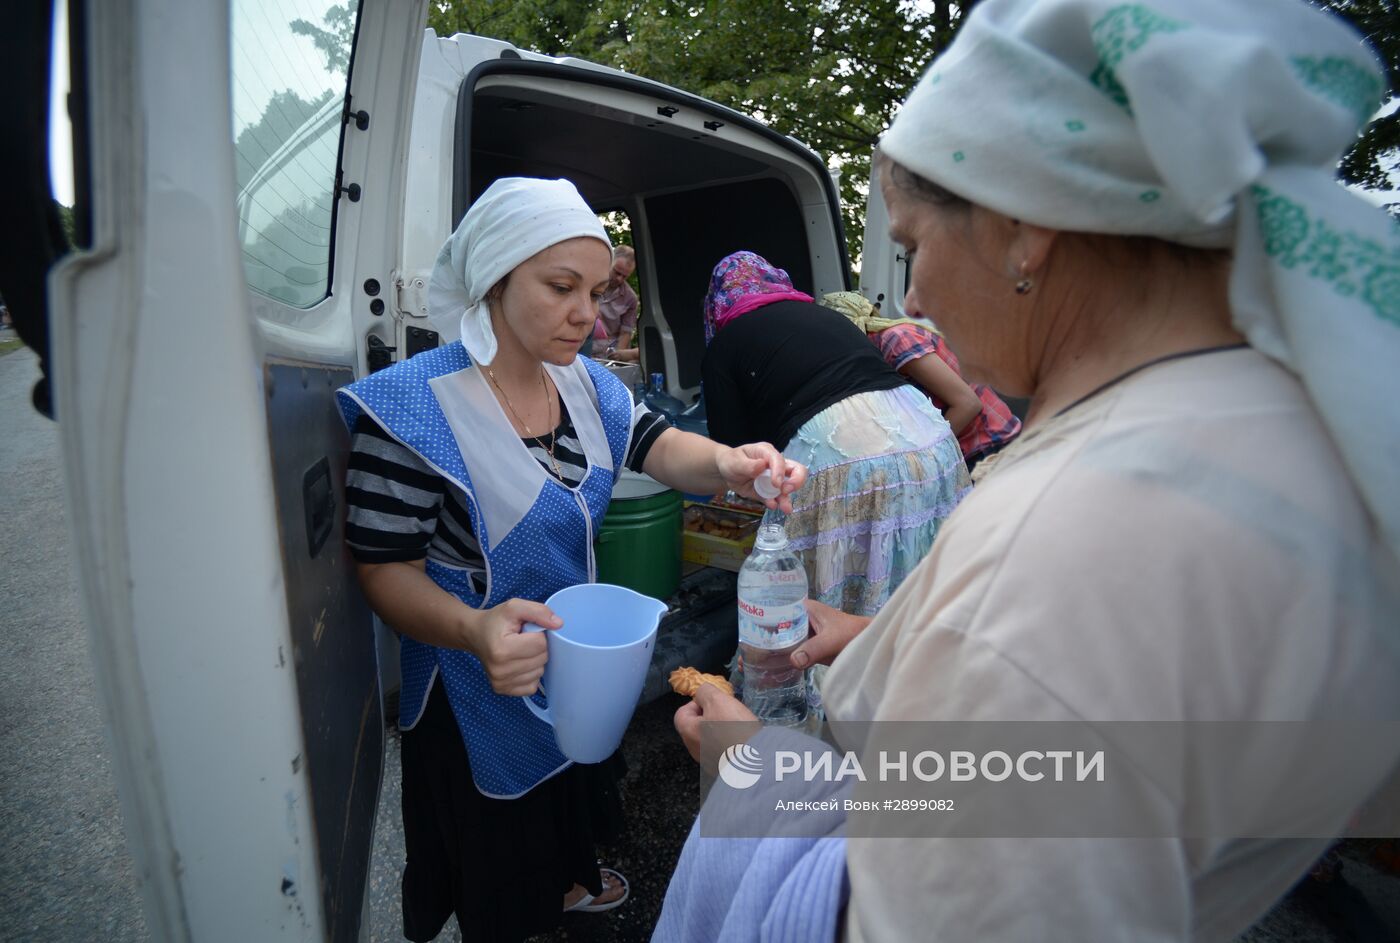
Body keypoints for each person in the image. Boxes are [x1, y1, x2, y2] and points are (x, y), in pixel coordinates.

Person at [657, 1, 1400, 940]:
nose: (914, 294)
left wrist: (750, 775)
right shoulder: (1271, 418)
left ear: (1020, 226)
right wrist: (891, 630)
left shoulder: (1059, 547)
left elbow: (925, 902)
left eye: (915, 244)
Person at [336, 177, 805, 943]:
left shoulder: (583, 384)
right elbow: (382, 568)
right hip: (472, 679)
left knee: (567, 795)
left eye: (595, 289)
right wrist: (474, 629)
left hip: (570, 657)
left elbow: (656, 445)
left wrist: (732, 463)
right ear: (494, 275)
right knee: (500, 847)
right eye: (560, 288)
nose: (586, 314)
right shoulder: (413, 409)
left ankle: (565, 886)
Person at [700, 250, 970, 619]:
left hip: (843, 452)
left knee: (819, 608)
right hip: (930, 440)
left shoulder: (726, 343)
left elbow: (731, 451)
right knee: (915, 588)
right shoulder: (823, 314)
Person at [822, 289, 1022, 473]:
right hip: (982, 446)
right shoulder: (886, 341)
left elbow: (967, 404)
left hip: (989, 446)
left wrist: (925, 458)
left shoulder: (895, 340)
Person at [590, 244, 640, 362]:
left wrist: (616, 359)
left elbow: (625, 333)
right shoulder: (590, 283)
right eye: (617, 272)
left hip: (607, 352)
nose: (619, 279)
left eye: (624, 276)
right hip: (584, 345)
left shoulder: (630, 298)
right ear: (608, 263)